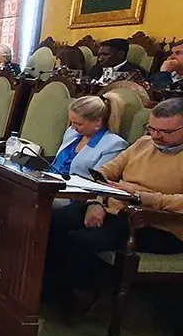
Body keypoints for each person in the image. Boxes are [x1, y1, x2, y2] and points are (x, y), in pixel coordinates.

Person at [46, 98, 183, 322]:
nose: (156, 136)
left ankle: (86, 290)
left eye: (165, 131)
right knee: (52, 222)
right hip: (115, 208)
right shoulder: (143, 144)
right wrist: (96, 202)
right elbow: (104, 173)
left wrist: (142, 197)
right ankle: (49, 287)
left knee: (79, 241)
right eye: (152, 128)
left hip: (157, 225)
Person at [50, 95, 128, 179]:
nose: (72, 127)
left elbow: (97, 180)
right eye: (71, 122)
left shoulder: (115, 145)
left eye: (78, 124)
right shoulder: (71, 133)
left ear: (98, 122)